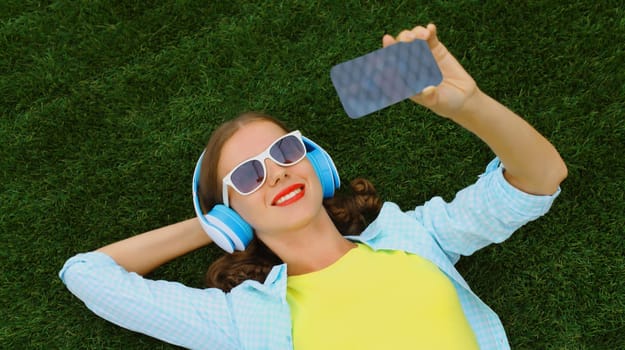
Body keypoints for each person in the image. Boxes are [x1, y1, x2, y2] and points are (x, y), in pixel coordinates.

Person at [59, 23, 567, 350]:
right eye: (248, 175)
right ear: (232, 214)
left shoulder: (413, 236)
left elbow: (539, 180)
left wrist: (469, 105)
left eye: (283, 152)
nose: (276, 171)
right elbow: (87, 274)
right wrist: (211, 225)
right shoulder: (244, 321)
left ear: (317, 166)